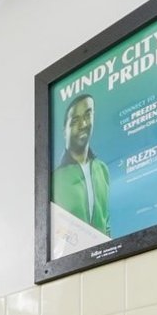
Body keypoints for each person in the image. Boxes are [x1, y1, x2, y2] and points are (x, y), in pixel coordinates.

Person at [51, 94, 110, 237]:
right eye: (75, 120)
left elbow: (106, 224)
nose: (83, 124)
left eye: (87, 115)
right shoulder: (54, 179)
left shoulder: (102, 169)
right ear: (64, 131)